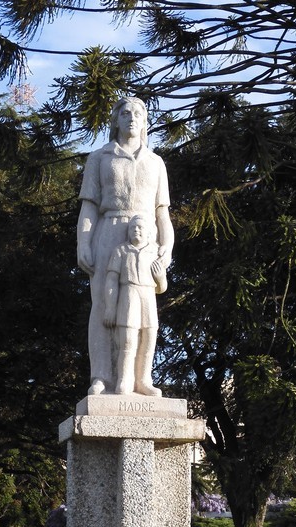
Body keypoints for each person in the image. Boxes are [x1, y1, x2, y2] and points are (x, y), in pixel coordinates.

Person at [77, 96, 174, 395]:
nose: (132, 118)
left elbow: (162, 213)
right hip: (108, 230)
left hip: (145, 239)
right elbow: (89, 207)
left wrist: (167, 248)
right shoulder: (99, 158)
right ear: (116, 120)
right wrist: (83, 240)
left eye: (138, 114)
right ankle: (102, 376)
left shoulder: (156, 163)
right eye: (125, 113)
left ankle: (141, 379)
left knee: (144, 312)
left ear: (145, 122)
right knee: (105, 305)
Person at [104, 215, 167, 395]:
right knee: (128, 340)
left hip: (148, 295)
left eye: (140, 228)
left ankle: (144, 380)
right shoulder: (121, 251)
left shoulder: (155, 252)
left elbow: (161, 288)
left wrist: (160, 277)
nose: (136, 231)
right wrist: (110, 307)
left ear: (148, 232)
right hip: (128, 294)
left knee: (148, 338)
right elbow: (111, 280)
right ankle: (125, 379)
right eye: (133, 228)